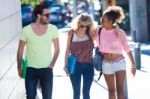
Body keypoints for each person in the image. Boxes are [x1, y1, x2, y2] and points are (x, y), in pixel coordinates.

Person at [17, 3, 60, 99]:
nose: (50, 17)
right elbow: (20, 50)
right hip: (30, 69)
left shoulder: (53, 29)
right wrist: (19, 67)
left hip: (47, 69)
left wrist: (52, 65)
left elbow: (57, 50)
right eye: (47, 15)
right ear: (38, 16)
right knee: (31, 96)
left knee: (47, 97)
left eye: (50, 14)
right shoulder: (26, 30)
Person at [97, 6, 136, 99]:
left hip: (119, 62)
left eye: (104, 20)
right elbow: (86, 26)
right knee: (111, 91)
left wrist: (133, 64)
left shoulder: (120, 32)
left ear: (111, 21)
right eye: (101, 19)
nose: (101, 21)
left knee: (120, 89)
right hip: (106, 63)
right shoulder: (99, 31)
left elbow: (127, 49)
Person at [64, 13, 96, 99]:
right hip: (75, 66)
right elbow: (67, 50)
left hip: (89, 66)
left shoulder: (91, 33)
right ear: (78, 24)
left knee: (86, 93)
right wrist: (65, 65)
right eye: (82, 26)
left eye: (87, 26)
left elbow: (104, 27)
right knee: (76, 93)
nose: (84, 28)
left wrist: (116, 27)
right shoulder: (72, 33)